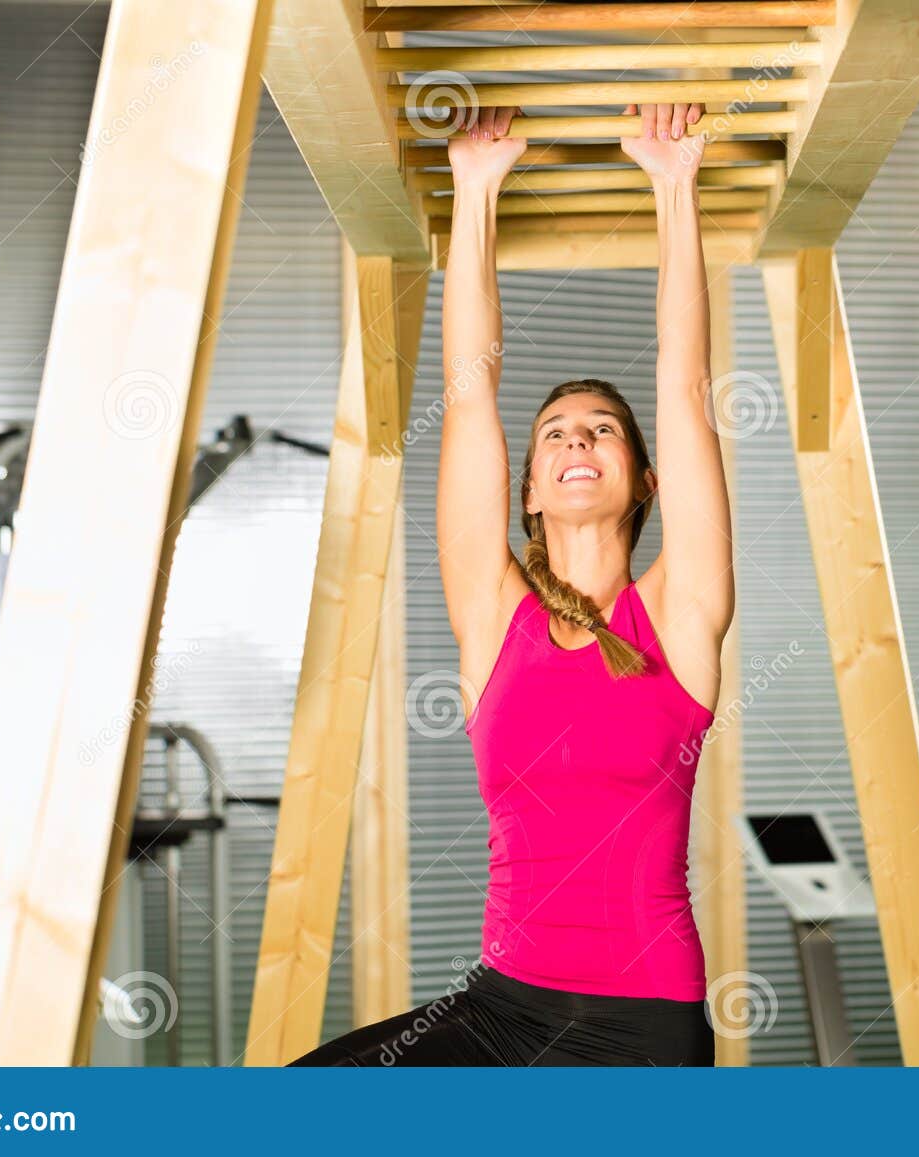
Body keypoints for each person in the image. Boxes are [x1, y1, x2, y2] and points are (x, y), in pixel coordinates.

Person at [287, 100, 734, 1066]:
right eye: (557, 432)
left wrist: (674, 184)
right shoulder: (495, 617)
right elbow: (468, 392)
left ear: (645, 479)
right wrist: (475, 190)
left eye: (604, 428)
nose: (578, 436)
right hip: (500, 1009)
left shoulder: (682, 610)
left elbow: (683, 380)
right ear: (528, 487)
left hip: (644, 1027)